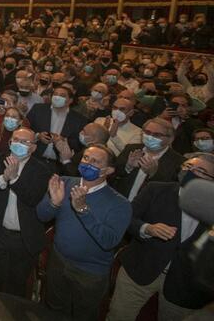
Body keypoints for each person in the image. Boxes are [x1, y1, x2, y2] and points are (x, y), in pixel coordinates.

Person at [107, 154, 214, 321]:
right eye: (187, 166)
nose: (190, 172)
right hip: (140, 269)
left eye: (199, 171)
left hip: (183, 284)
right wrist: (146, 228)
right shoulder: (155, 189)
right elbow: (127, 218)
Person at [37, 145, 132, 321]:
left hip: (91, 273)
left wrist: (83, 210)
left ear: (108, 170)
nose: (88, 163)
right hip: (58, 261)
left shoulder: (120, 204)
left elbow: (109, 241)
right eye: (86, 158)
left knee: (83, 315)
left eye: (95, 161)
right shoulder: (64, 182)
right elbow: (42, 216)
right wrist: (54, 204)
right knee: (53, 310)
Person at [0, 127, 52, 298]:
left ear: (33, 147)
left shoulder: (42, 170)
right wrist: (3, 178)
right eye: (16, 140)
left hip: (24, 239)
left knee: (16, 285)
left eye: (24, 141)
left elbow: (33, 198)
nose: (18, 144)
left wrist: (15, 179)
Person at [114, 117, 185, 201]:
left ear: (170, 139)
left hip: (149, 209)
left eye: (157, 135)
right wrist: (128, 167)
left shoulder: (179, 162)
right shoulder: (131, 149)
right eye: (147, 132)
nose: (150, 137)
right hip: (121, 202)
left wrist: (154, 174)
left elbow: (171, 192)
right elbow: (114, 174)